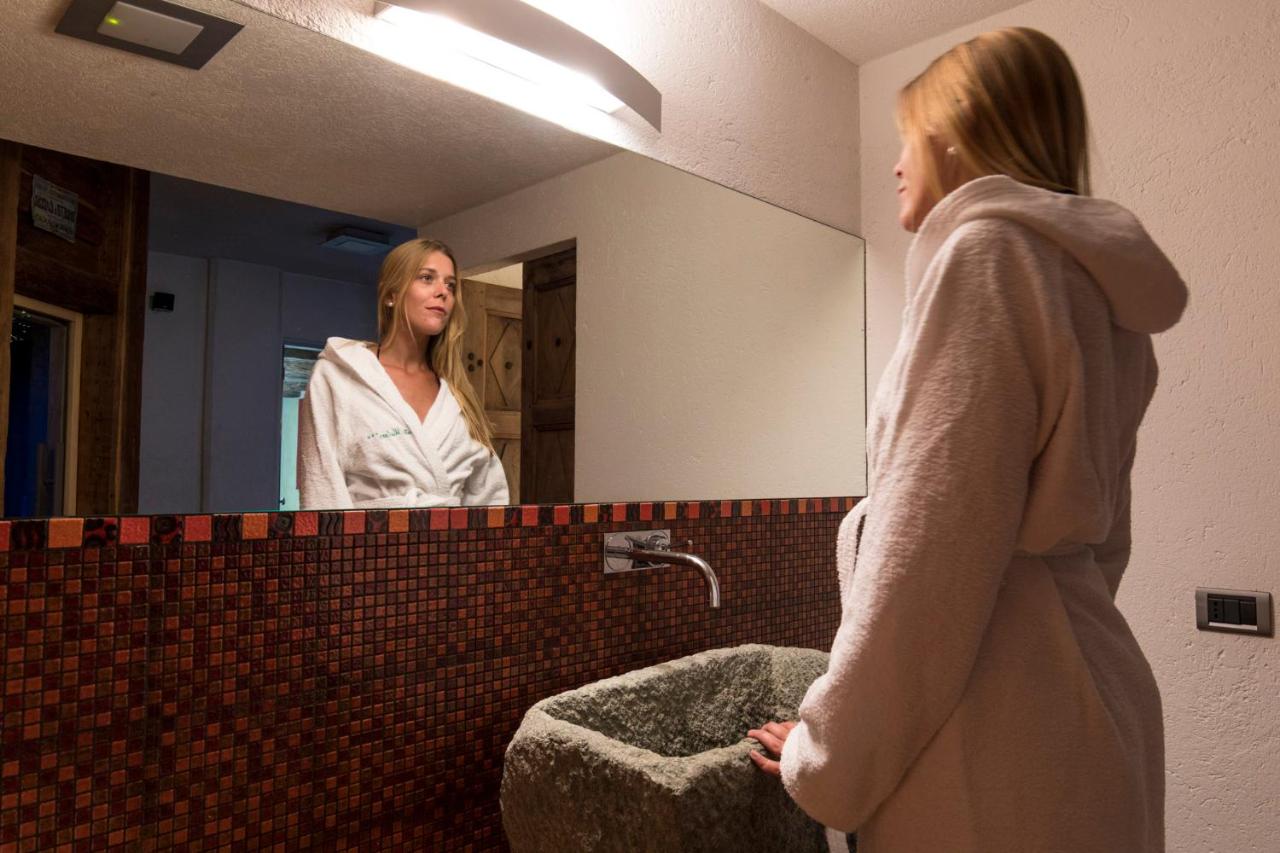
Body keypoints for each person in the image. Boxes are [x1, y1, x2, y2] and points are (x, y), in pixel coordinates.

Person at [748, 27, 1187, 852]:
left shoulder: (986, 257)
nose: (896, 164)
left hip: (993, 742)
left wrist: (824, 756)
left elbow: (924, 567)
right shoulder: (1102, 303)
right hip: (1091, 710)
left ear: (956, 130)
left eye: (907, 137)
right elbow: (1107, 547)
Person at [297, 238, 509, 509]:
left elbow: (489, 494)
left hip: (455, 536)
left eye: (450, 285)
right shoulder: (338, 376)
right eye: (427, 278)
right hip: (369, 535)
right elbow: (321, 485)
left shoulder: (456, 393)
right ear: (391, 295)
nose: (443, 292)